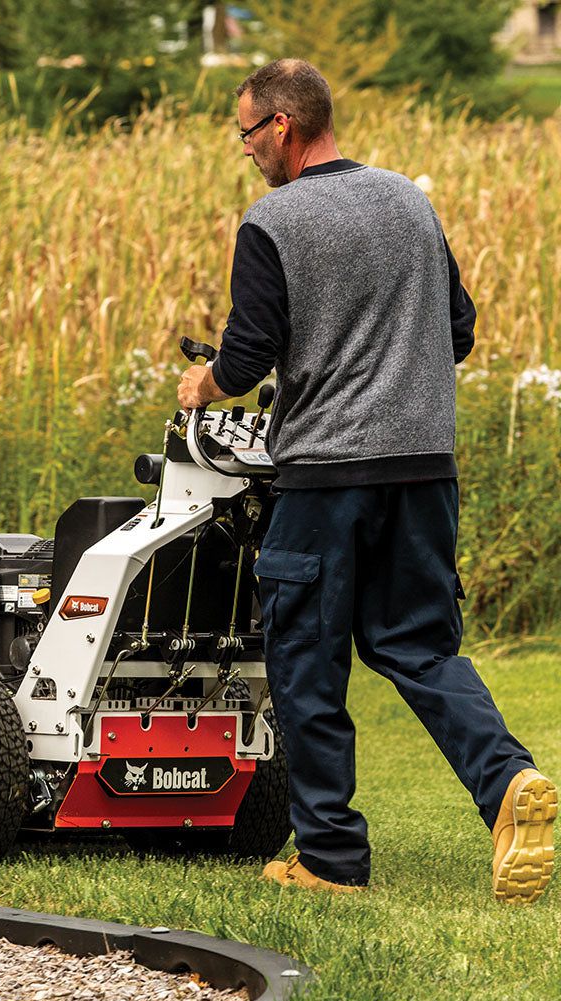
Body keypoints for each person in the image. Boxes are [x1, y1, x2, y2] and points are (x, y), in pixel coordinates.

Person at [176, 58, 556, 903]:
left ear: (281, 126)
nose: (243, 150)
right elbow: (457, 330)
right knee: (421, 646)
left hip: (326, 479)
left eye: (245, 132)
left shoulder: (273, 221)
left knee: (307, 659)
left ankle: (332, 861)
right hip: (425, 471)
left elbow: (243, 359)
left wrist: (202, 386)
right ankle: (508, 786)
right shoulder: (408, 202)